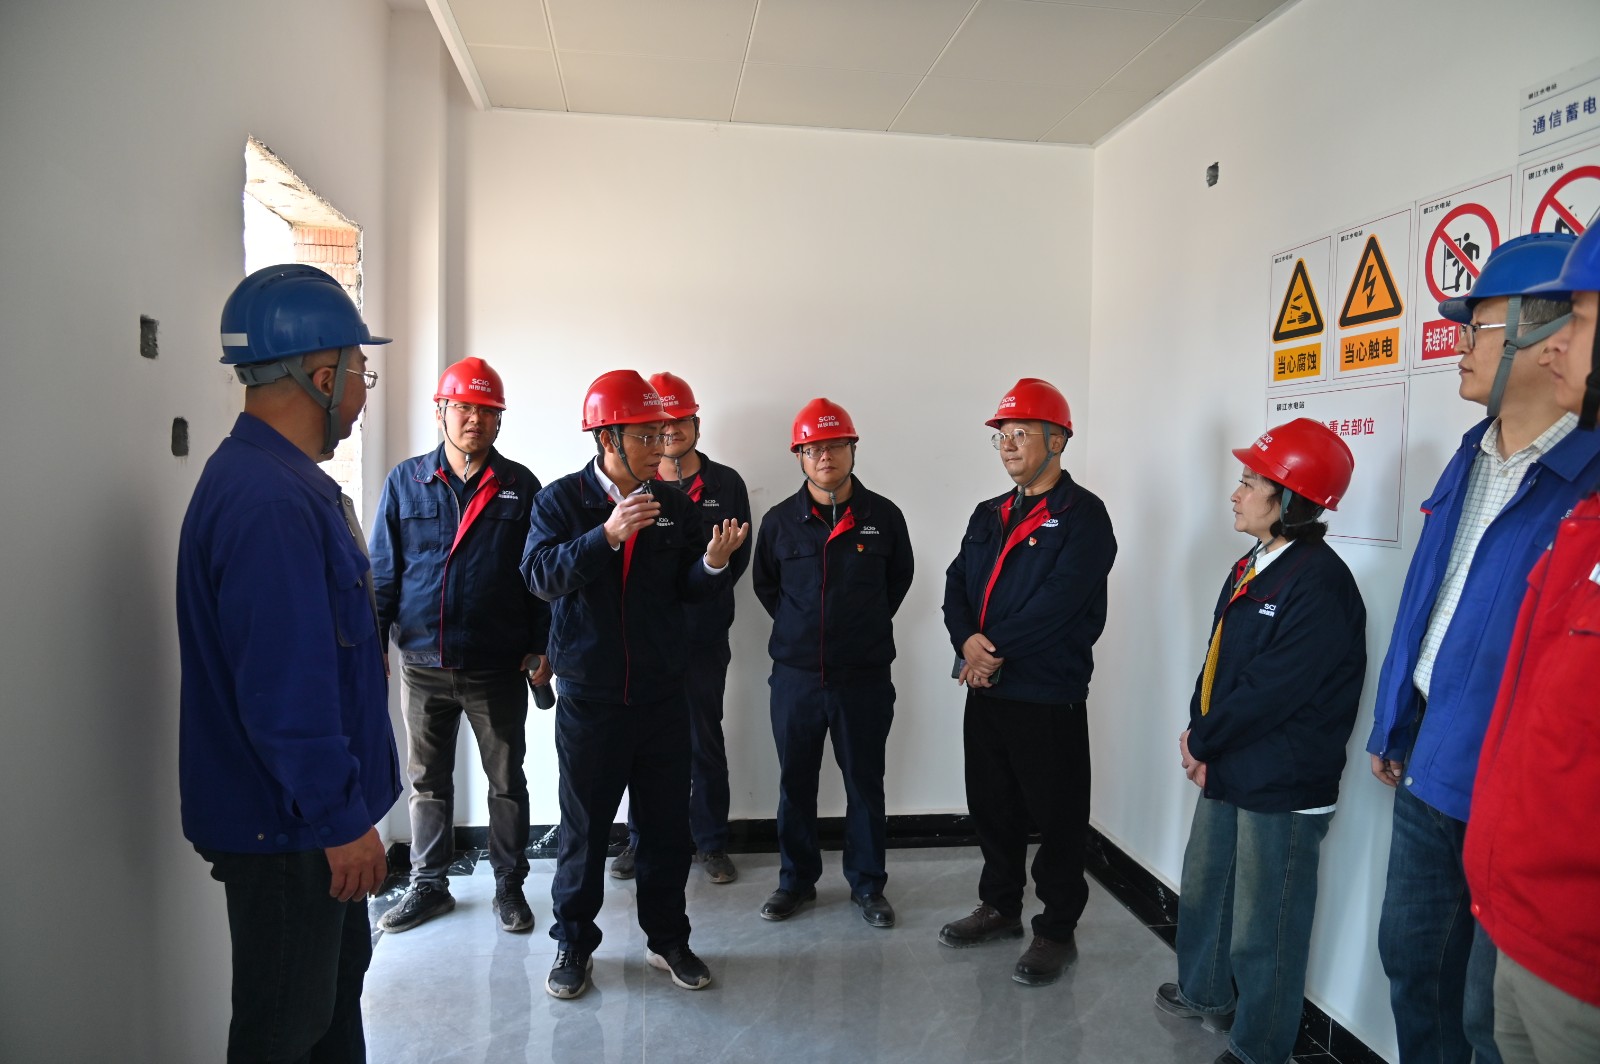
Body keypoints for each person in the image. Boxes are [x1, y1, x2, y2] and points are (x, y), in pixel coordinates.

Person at [1367, 233, 1591, 1064]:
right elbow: (1429, 599)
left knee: (1490, 1018)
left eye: (1479, 326)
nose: (1458, 344)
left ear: (1549, 334)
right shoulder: (1471, 454)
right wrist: (1395, 719)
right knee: (1413, 969)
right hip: (1429, 761)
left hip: (1512, 787)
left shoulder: (1585, 480)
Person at [177, 263, 400, 1061]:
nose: (362, 391)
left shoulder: (282, 484)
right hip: (291, 832)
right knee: (283, 1033)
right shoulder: (269, 501)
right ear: (322, 376)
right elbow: (285, 691)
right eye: (360, 371)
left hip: (303, 825)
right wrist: (341, 819)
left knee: (327, 1017)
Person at [522, 370, 748, 1000]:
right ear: (608, 439)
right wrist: (606, 535)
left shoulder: (674, 506)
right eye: (646, 435)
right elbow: (539, 576)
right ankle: (573, 942)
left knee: (666, 827)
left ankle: (667, 939)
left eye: (663, 432)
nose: (661, 444)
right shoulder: (561, 501)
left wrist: (713, 564)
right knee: (585, 829)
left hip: (662, 694)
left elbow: (688, 591)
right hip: (591, 698)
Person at [1155, 418, 1366, 1064]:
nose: (1236, 493)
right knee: (1208, 889)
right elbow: (1220, 662)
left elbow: (1273, 689)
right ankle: (1206, 992)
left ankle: (1259, 1045)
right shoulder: (1255, 564)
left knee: (1264, 924)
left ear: (1292, 499)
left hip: (1282, 779)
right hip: (1231, 761)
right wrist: (1200, 731)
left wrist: (1204, 740)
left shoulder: (1320, 582)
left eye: (1250, 482)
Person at [1464, 221, 1600, 1064]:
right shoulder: (1586, 521)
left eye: (1578, 319)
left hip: (1577, 952)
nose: (1559, 347)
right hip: (1521, 911)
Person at [938, 378, 1117, 986]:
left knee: (1058, 817)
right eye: (1002, 436)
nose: (1009, 445)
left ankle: (1056, 930)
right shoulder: (988, 513)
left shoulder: (1084, 516)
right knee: (993, 807)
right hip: (987, 690)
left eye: (1021, 433)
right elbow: (956, 582)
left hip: (1046, 692)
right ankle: (1000, 907)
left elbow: (1060, 604)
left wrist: (990, 651)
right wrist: (967, 640)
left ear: (1057, 440)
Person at [369, 357, 551, 936]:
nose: (475, 419)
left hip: (497, 665)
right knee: (427, 782)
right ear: (441, 412)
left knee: (507, 782)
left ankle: (509, 886)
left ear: (500, 420)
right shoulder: (406, 482)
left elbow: (537, 575)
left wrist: (542, 645)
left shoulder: (520, 487)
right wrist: (374, 649)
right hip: (422, 664)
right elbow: (383, 574)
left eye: (487, 410)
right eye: (464, 408)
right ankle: (429, 885)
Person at [751, 398, 914, 928]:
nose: (826, 456)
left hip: (862, 678)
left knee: (865, 783)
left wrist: (855, 630)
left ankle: (867, 885)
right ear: (799, 456)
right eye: (814, 448)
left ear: (853, 449)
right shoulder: (779, 522)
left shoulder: (883, 517)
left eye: (836, 445)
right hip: (795, 679)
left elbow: (898, 582)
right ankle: (795, 882)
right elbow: (767, 587)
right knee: (794, 783)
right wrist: (805, 633)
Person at [608, 372, 752, 885]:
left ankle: (710, 843)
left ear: (696, 424)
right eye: (658, 426)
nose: (669, 432)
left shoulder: (726, 484)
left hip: (703, 637)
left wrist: (703, 587)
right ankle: (640, 841)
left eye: (680, 422)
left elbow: (736, 561)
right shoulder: (635, 484)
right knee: (641, 744)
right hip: (645, 641)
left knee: (704, 739)